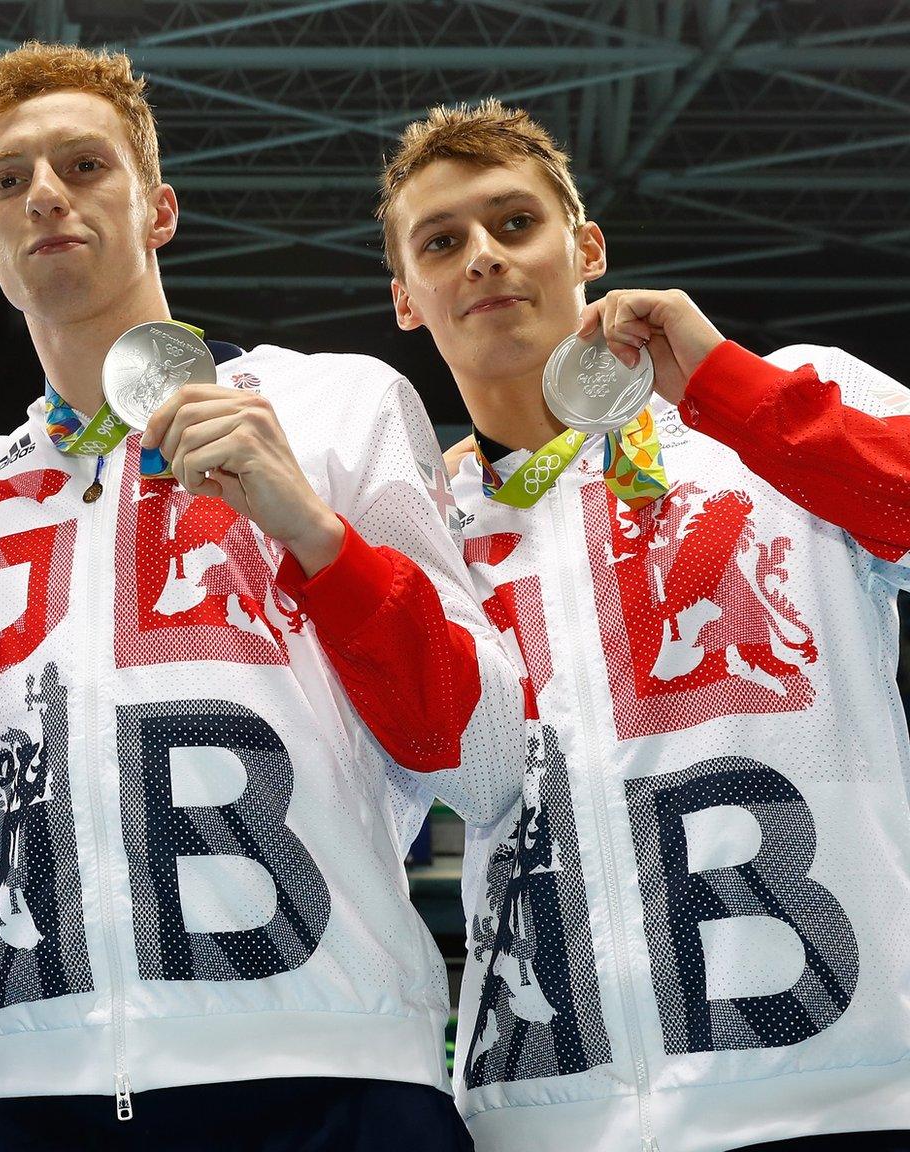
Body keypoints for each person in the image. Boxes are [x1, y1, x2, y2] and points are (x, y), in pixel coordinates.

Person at [0, 42, 525, 1151]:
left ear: (158, 208)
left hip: (331, 1072)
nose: (45, 196)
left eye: (82, 165)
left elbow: (486, 761)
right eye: (8, 181)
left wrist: (313, 533)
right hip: (43, 1090)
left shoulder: (334, 403)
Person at [381, 97, 910, 1152]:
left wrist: (726, 388)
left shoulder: (783, 417)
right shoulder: (417, 539)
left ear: (586, 247)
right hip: (543, 1118)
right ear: (405, 300)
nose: (481, 257)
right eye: (441, 243)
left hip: (837, 1098)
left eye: (513, 223)